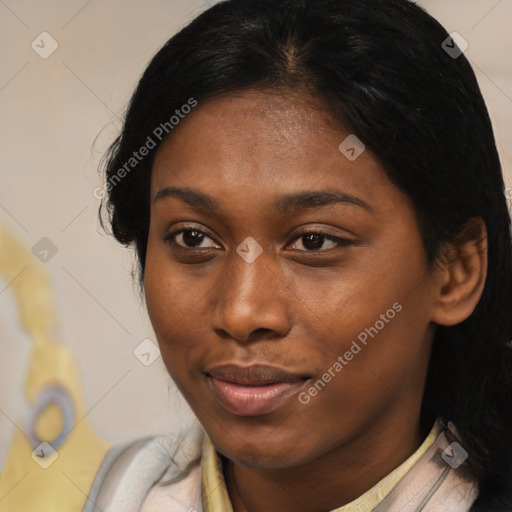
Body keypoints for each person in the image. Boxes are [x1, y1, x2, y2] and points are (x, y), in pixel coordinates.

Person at [88, 0, 512, 510]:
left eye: (314, 241)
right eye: (193, 237)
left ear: (456, 272)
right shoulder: (124, 489)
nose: (242, 313)